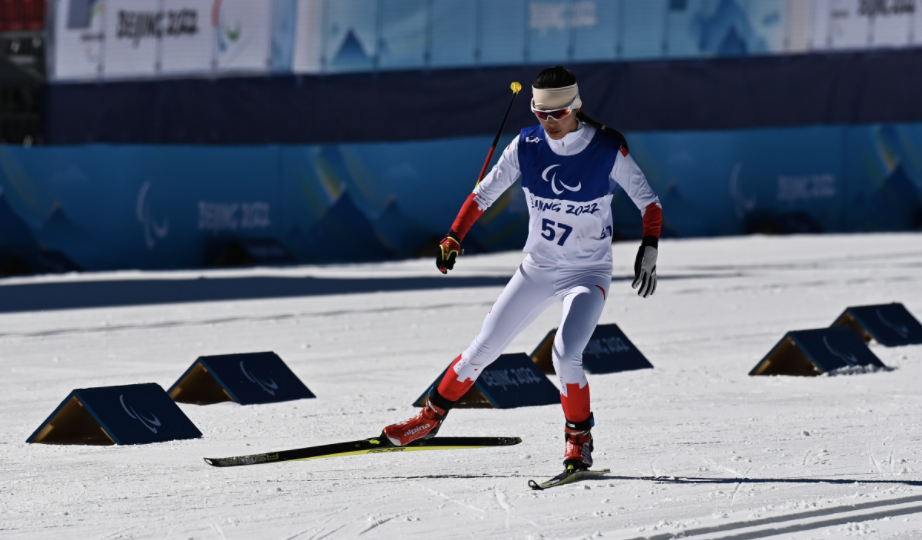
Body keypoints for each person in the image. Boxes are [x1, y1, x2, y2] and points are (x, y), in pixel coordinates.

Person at [382, 65, 662, 472]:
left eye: (558, 114)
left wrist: (649, 246)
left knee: (567, 355)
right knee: (483, 346)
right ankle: (428, 420)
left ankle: (578, 440)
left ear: (576, 107)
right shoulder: (526, 145)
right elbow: (482, 195)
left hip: (587, 273)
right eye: (540, 113)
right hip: (539, 268)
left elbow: (649, 202)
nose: (548, 122)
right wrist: (454, 236)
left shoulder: (605, 148)